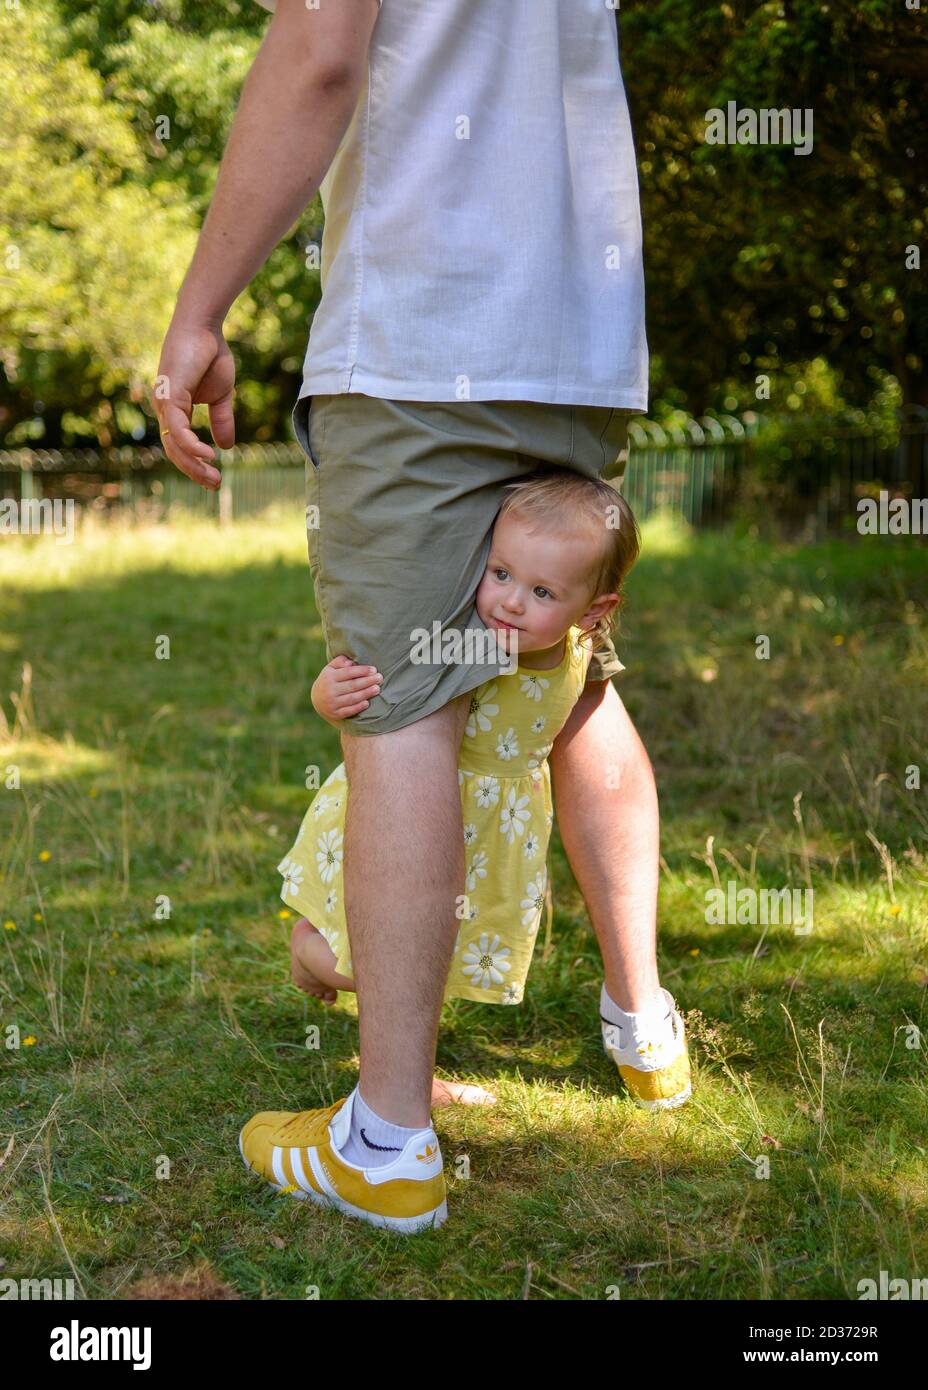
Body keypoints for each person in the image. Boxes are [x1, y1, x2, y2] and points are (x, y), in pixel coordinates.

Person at [155, 0, 691, 1237]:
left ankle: (387, 1143)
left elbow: (320, 52)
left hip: (421, 336)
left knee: (402, 708)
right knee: (573, 686)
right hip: (580, 337)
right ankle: (640, 1024)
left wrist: (199, 312)